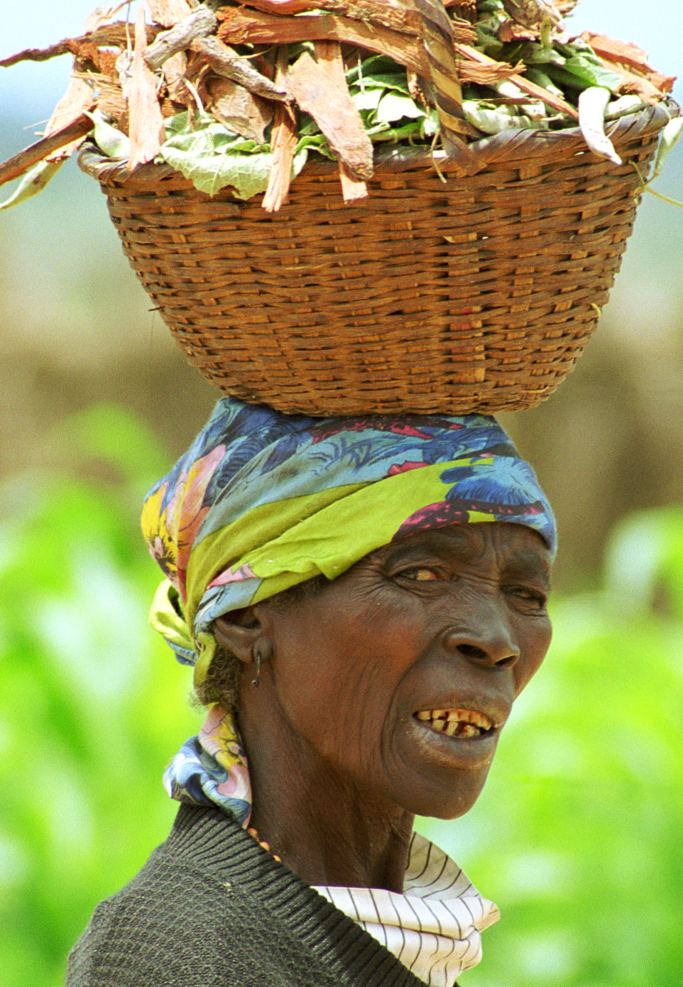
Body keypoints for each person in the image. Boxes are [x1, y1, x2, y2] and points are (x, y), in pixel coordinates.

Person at [65, 399, 556, 987]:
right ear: (247, 617)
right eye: (420, 575)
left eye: (526, 594)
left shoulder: (393, 934)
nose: (498, 641)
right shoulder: (180, 956)